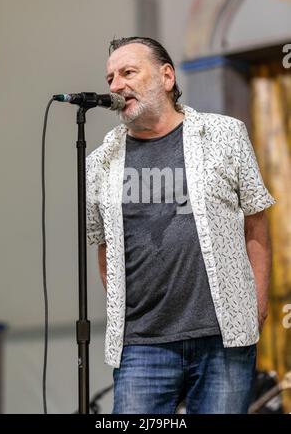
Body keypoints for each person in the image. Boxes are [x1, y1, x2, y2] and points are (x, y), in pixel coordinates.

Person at [86, 37, 276, 414]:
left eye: (128, 72)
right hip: (141, 343)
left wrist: (255, 303)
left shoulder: (225, 135)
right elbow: (104, 245)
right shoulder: (100, 162)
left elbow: (256, 224)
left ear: (167, 76)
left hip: (224, 339)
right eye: (110, 78)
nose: (115, 86)